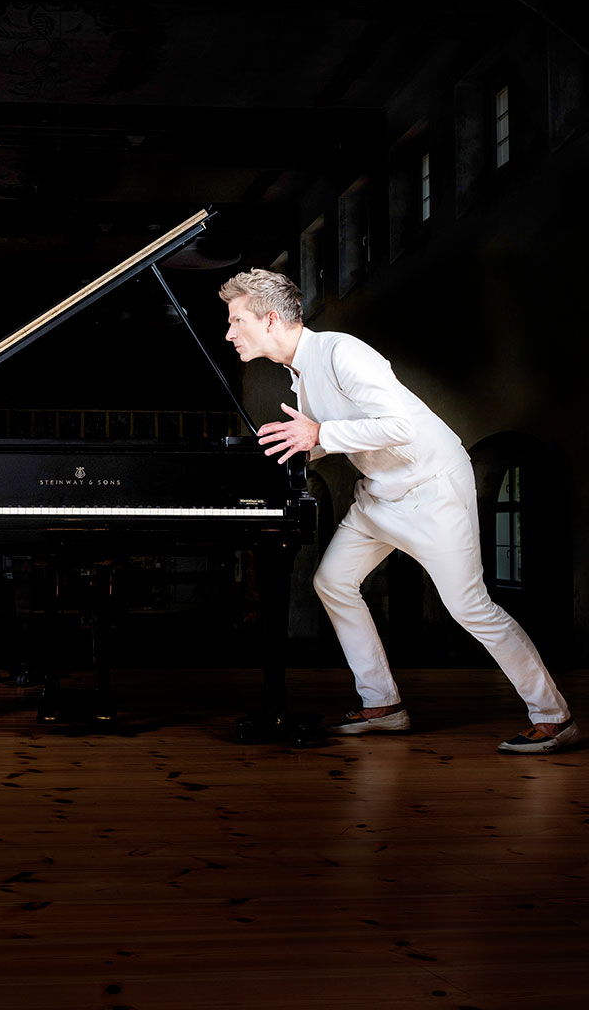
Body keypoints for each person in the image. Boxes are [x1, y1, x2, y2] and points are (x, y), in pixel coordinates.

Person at [220, 268, 578, 754]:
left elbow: (398, 427)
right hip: (380, 495)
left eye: (236, 320)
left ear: (269, 318)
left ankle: (553, 716)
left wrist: (319, 435)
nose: (229, 331)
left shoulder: (341, 351)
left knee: (470, 607)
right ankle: (383, 706)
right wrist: (304, 442)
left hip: (431, 490)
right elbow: (344, 429)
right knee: (332, 582)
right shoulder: (300, 371)